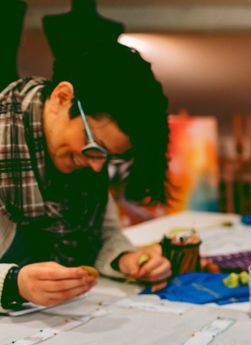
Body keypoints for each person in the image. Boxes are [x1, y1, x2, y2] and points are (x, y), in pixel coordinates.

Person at [0, 43, 172, 310]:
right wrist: (13, 283)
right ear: (62, 97)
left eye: (108, 156)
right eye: (95, 147)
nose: (95, 167)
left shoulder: (84, 162)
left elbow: (104, 234)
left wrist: (125, 259)